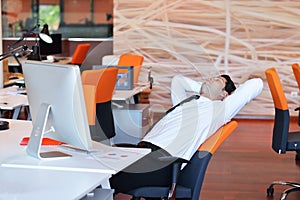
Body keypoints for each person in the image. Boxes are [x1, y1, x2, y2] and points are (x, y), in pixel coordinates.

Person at [110, 74, 263, 194]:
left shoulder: (219, 110)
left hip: (162, 161)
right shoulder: (188, 102)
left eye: (218, 80)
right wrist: (205, 89)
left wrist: (225, 94)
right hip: (144, 151)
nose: (211, 78)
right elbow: (178, 81)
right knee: (102, 167)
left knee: (105, 180)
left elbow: (256, 83)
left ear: (225, 95)